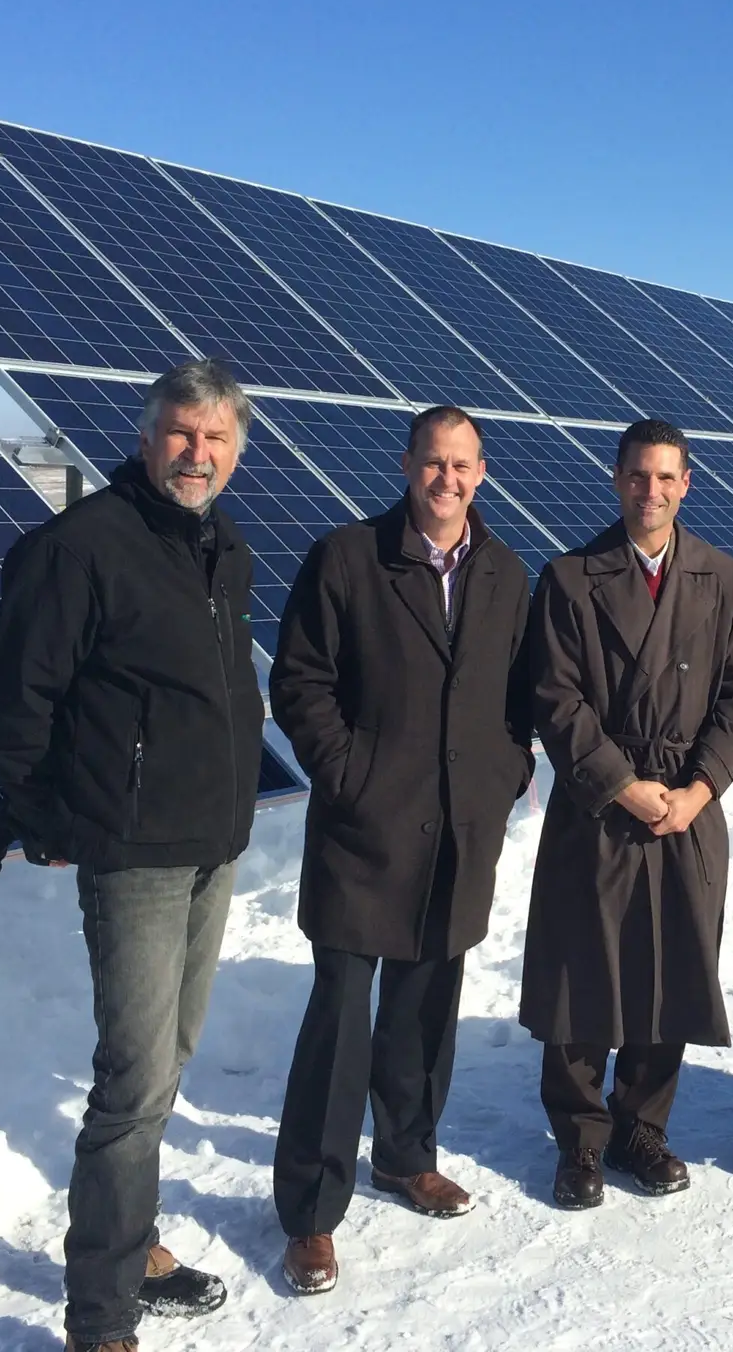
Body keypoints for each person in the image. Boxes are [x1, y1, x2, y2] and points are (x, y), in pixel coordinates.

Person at [0, 359, 265, 1352]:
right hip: (134, 857)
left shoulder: (224, 548)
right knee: (131, 1087)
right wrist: (48, 813)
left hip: (210, 847)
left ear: (237, 449)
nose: (198, 453)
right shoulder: (84, 547)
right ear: (146, 441)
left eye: (216, 438)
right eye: (181, 434)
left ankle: (127, 1240)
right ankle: (99, 1317)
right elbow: (11, 699)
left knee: (166, 1069)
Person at [266, 406, 533, 1295]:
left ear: (482, 473)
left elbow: (519, 695)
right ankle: (310, 1212)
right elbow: (299, 681)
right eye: (432, 463)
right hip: (363, 832)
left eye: (462, 465)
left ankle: (407, 1155)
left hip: (459, 830)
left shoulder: (503, 573)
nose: (446, 479)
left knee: (426, 1012)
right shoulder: (348, 557)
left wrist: (503, 771)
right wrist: (350, 775)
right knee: (339, 1025)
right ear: (408, 465)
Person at [519, 418, 733, 1209]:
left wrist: (699, 790)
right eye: (637, 477)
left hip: (687, 806)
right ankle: (580, 1141)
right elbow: (555, 699)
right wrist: (622, 786)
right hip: (602, 802)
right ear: (616, 479)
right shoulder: (569, 578)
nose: (651, 492)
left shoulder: (722, 578)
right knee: (583, 974)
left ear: (686, 484)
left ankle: (641, 1129)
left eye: (666, 478)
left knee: (671, 974)